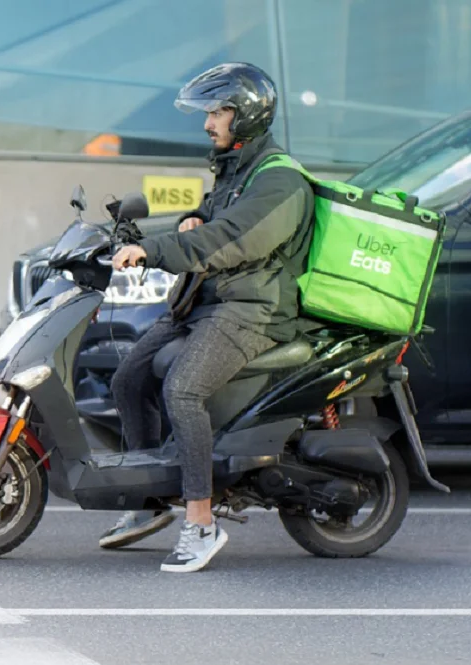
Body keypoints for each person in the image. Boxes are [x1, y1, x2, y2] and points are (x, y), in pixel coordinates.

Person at [101, 62, 314, 573]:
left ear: (246, 114)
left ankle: (200, 522)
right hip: (206, 300)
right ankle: (148, 502)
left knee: (183, 389)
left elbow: (230, 240)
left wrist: (153, 250)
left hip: (253, 311)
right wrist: (186, 220)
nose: (207, 123)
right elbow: (208, 224)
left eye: (217, 112)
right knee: (128, 380)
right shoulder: (235, 167)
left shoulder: (281, 181)